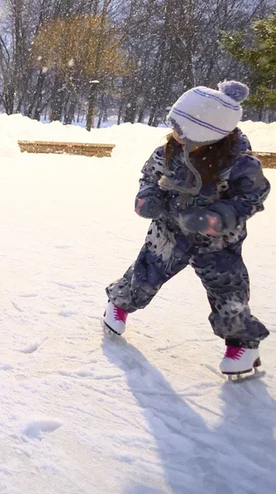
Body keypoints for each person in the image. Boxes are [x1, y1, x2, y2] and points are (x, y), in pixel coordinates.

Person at [103, 80, 270, 376]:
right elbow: (149, 175)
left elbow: (252, 197)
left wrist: (216, 218)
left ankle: (242, 344)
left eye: (183, 129)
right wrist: (148, 196)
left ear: (210, 134)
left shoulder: (240, 163)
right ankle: (119, 304)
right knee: (146, 273)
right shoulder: (169, 150)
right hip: (169, 230)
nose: (175, 134)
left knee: (228, 290)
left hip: (217, 241)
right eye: (175, 126)